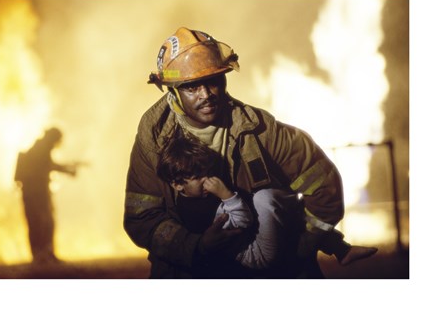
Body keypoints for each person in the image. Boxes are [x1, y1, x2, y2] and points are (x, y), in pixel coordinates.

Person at [124, 27, 376, 278]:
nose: (207, 94)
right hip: (192, 267)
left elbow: (324, 187)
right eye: (192, 87)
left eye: (213, 81)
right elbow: (142, 217)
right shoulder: (153, 138)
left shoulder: (261, 129)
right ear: (174, 92)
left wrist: (298, 248)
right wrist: (196, 246)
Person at [157, 135, 378, 277]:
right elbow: (243, 221)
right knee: (265, 199)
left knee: (283, 205)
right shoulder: (194, 211)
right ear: (177, 184)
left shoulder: (199, 196)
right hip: (256, 256)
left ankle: (340, 249)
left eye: (208, 174)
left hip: (256, 244)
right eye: (198, 177)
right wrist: (226, 195)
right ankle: (337, 248)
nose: (208, 181)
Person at [15, 127, 78, 264]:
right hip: (36, 193)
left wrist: (67, 168)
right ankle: (41, 254)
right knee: (41, 222)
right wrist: (67, 170)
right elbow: (47, 166)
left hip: (35, 192)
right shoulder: (41, 149)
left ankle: (44, 254)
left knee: (43, 222)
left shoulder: (39, 148)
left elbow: (48, 165)